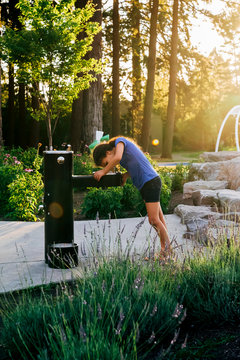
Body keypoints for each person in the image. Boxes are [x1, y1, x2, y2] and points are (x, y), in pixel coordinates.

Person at [93, 136, 171, 258]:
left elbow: (117, 157)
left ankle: (168, 251)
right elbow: (136, 164)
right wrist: (126, 175)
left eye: (106, 163)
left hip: (150, 182)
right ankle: (166, 250)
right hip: (146, 184)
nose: (109, 166)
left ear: (108, 152)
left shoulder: (120, 142)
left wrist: (103, 171)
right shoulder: (123, 155)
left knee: (153, 220)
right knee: (158, 219)